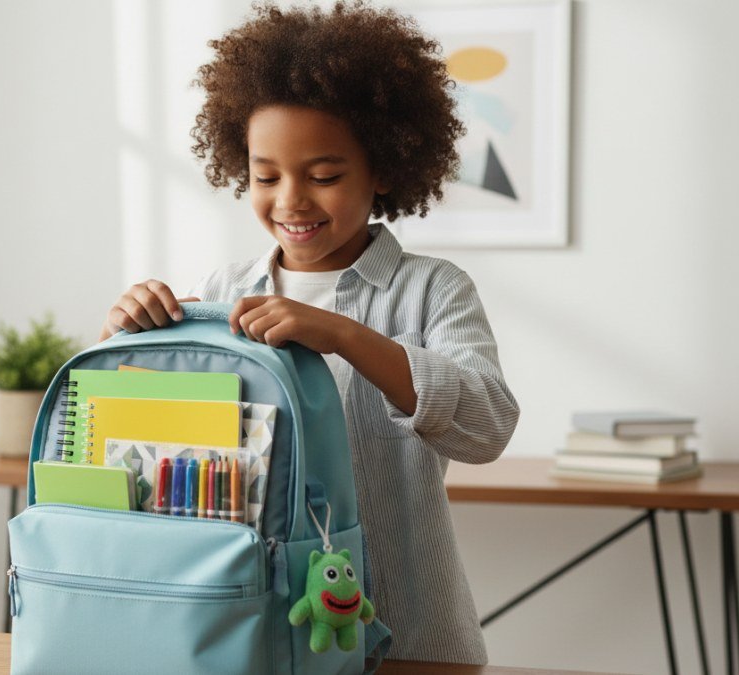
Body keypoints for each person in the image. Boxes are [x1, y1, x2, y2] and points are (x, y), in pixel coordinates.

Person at [98, 1, 520, 665]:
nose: (291, 198)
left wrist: (345, 334)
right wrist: (128, 337)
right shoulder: (224, 290)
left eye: (323, 176)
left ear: (382, 168)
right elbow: (168, 459)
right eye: (266, 175)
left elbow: (489, 423)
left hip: (411, 635)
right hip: (257, 632)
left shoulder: (434, 289)